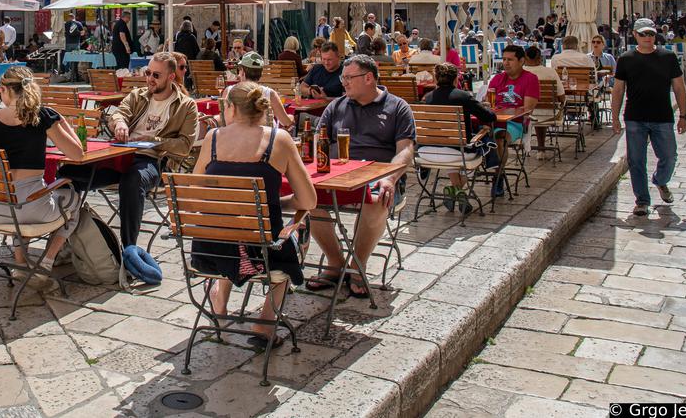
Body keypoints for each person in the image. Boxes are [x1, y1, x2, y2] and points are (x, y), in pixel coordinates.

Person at [191, 82, 316, 346]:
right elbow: (309, 200)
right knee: (290, 239)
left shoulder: (212, 139)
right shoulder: (278, 140)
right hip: (262, 252)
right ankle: (265, 324)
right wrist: (273, 204)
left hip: (210, 250)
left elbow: (194, 191)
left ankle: (220, 300)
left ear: (231, 108)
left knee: (232, 227)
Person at [59, 52, 197, 248]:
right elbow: (118, 114)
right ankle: (63, 241)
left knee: (132, 180)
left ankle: (129, 250)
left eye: (156, 75)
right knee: (66, 175)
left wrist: (154, 141)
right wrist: (120, 123)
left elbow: (184, 147)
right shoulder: (137, 95)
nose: (149, 78)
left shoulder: (186, 106)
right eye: (148, 72)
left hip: (154, 160)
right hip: (121, 155)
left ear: (171, 77)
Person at [305, 55, 415, 296]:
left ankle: (358, 265)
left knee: (376, 200)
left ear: (368, 78)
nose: (343, 82)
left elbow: (406, 149)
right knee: (307, 199)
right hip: (338, 179)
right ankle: (335, 262)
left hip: (381, 179)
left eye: (348, 77)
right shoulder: (336, 106)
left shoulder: (397, 107)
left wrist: (390, 177)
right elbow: (318, 141)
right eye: (343, 77)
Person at [0, 66, 84, 286]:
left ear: (5, 90)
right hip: (32, 209)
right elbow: (77, 153)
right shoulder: (43, 117)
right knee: (74, 198)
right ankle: (47, 261)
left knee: (16, 198)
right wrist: (62, 121)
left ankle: (20, 263)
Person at [612, 18, 686, 218]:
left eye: (651, 34)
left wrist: (683, 114)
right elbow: (618, 89)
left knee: (669, 156)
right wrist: (614, 117)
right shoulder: (626, 58)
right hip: (635, 116)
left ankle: (660, 180)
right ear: (635, 35)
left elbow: (679, 87)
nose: (648, 37)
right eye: (643, 34)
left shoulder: (668, 57)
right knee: (636, 161)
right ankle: (642, 201)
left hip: (662, 115)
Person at [424, 62, 501, 207]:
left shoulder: (428, 98)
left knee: (450, 145)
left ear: (436, 79)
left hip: (428, 151)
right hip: (458, 153)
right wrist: (486, 108)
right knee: (481, 142)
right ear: (456, 79)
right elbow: (490, 118)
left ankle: (456, 190)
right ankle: (457, 190)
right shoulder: (463, 96)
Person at [488, 45, 540, 153]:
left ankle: (499, 170)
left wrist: (502, 110)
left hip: (515, 123)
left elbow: (526, 110)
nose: (506, 63)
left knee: (499, 138)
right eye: (504, 59)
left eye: (510, 60)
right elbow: (488, 103)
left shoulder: (531, 79)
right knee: (470, 135)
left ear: (521, 61)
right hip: (492, 121)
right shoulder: (497, 78)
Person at [222, 52, 293, 128]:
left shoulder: (229, 91)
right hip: (264, 138)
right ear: (261, 73)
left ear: (243, 71)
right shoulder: (269, 94)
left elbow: (222, 120)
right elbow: (286, 122)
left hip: (235, 137)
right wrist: (291, 117)